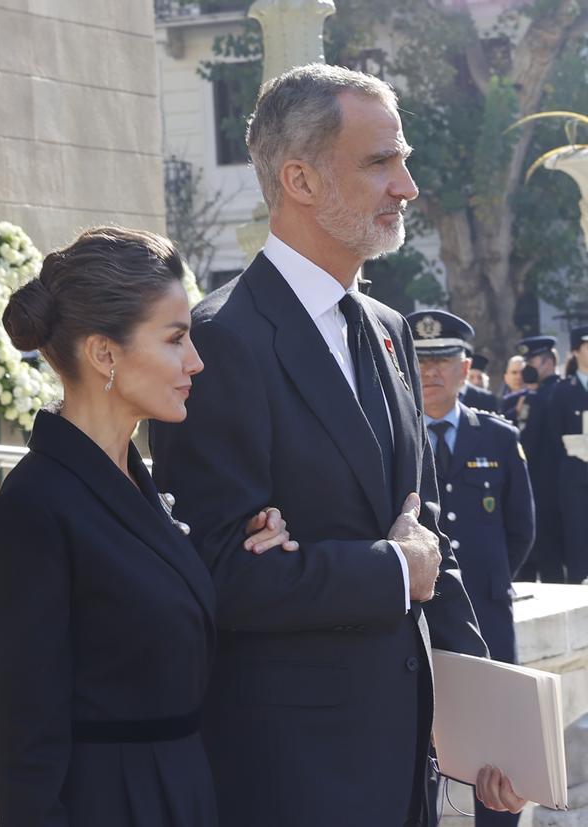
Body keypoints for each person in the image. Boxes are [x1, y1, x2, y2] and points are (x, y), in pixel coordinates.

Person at [149, 64, 522, 826]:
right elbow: (219, 575)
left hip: (406, 768)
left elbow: (429, 540)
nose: (408, 186)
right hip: (293, 777)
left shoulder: (387, 329)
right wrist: (389, 569)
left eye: (403, 159)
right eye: (381, 161)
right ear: (301, 180)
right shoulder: (220, 342)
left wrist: (495, 725)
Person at [0, 227, 297, 826]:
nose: (197, 362)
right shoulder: (31, 513)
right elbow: (26, 750)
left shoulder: (141, 490)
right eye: (177, 340)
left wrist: (248, 543)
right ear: (105, 354)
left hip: (185, 793)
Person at [409, 310, 535, 827]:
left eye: (442, 360)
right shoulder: (396, 437)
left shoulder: (499, 439)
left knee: (497, 760)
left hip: (486, 617)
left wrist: (484, 582)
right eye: (420, 361)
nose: (431, 372)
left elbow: (520, 531)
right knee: (421, 755)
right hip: (417, 622)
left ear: (465, 368)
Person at [516, 335, 566, 582]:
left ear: (548, 362)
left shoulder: (537, 399)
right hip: (565, 488)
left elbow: (526, 445)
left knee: (546, 559)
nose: (527, 367)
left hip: (540, 488)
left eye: (531, 361)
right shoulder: (565, 391)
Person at [548, 326, 588, 583]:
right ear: (575, 351)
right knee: (578, 536)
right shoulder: (563, 390)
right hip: (576, 478)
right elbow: (555, 435)